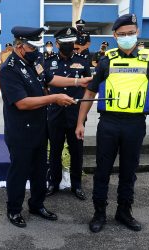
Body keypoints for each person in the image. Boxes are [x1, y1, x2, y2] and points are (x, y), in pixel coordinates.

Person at [75, 14, 149, 233]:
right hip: (109, 123)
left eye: (131, 33)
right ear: (115, 35)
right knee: (102, 171)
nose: (127, 37)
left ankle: (124, 211)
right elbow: (90, 91)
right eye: (122, 34)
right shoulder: (107, 60)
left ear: (137, 33)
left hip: (135, 124)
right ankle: (99, 213)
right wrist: (80, 122)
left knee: (128, 171)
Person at [0, 26, 92, 228]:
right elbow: (22, 102)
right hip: (21, 131)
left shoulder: (36, 60)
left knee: (40, 171)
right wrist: (55, 98)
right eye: (33, 48)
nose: (37, 51)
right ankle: (14, 210)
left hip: (40, 128)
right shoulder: (9, 69)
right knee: (20, 171)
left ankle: (37, 204)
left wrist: (78, 80)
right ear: (20, 46)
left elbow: (49, 79)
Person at [45, 27, 91, 200]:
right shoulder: (48, 62)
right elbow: (44, 87)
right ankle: (53, 183)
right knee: (55, 150)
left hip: (75, 115)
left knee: (77, 151)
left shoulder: (83, 61)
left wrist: (84, 112)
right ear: (57, 44)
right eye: (65, 43)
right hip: (55, 113)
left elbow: (89, 89)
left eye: (71, 43)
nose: (69, 46)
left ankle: (76, 185)